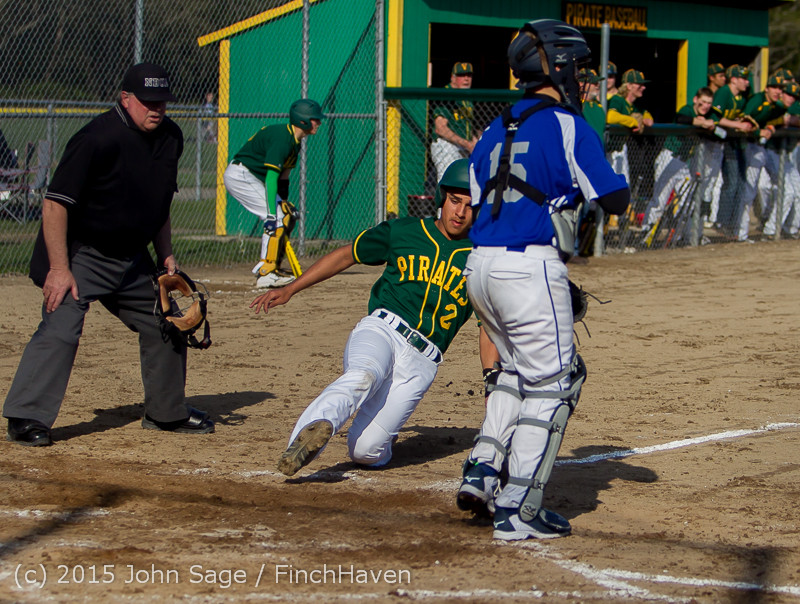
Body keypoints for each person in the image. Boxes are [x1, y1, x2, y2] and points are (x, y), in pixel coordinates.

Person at [457, 19, 629, 541]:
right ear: (556, 68)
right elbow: (614, 198)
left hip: (480, 265)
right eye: (574, 67)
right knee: (557, 381)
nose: (579, 76)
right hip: (529, 265)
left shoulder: (493, 128)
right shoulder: (567, 122)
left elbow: (477, 193)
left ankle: (484, 469)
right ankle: (519, 505)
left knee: (514, 370)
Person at [2, 62, 214, 447]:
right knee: (62, 327)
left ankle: (167, 413)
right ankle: (26, 417)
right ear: (125, 99)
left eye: (163, 101)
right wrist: (60, 269)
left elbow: (160, 203)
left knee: (165, 320)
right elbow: (55, 205)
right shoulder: (97, 138)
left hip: (131, 257)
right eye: (148, 101)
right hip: (82, 254)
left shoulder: (171, 137)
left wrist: (166, 256)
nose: (157, 109)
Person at [251, 158, 490, 475]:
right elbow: (348, 254)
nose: (460, 212)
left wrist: (493, 383)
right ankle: (305, 439)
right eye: (455, 201)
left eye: (470, 206)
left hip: (422, 361)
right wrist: (293, 288)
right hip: (383, 330)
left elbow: (487, 327)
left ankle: (374, 434)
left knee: (366, 452)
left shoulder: (483, 259)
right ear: (442, 198)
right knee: (365, 374)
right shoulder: (404, 231)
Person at [224, 98, 323, 288]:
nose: (318, 122)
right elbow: (271, 179)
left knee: (286, 215)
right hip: (241, 175)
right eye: (315, 119)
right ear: (302, 120)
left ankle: (274, 266)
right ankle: (266, 272)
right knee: (276, 218)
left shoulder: (295, 142)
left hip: (252, 177)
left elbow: (283, 177)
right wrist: (271, 212)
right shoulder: (282, 140)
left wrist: (283, 201)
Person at [641, 87, 716, 239]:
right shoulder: (688, 109)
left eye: (709, 103)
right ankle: (646, 235)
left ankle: (681, 236)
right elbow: (682, 118)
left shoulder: (709, 114)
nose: (705, 106)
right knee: (660, 199)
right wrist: (700, 123)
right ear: (696, 100)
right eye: (703, 102)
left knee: (687, 201)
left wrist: (712, 125)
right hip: (669, 157)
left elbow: (718, 126)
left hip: (685, 163)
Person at [734, 74, 788, 242]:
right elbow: (741, 123)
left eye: (780, 89)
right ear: (766, 88)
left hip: (759, 147)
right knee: (749, 190)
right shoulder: (756, 101)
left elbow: (779, 119)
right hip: (746, 146)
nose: (778, 91)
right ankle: (740, 233)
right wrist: (759, 131)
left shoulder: (776, 105)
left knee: (783, 184)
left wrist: (771, 126)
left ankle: (767, 228)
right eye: (774, 87)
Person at [710, 65, 755, 234]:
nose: (747, 82)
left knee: (740, 182)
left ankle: (731, 225)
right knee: (729, 182)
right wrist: (737, 124)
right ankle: (721, 222)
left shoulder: (742, 98)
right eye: (743, 79)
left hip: (733, 143)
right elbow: (715, 118)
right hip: (715, 143)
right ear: (733, 79)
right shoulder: (724, 92)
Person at [430, 62, 479, 181]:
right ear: (453, 77)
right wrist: (467, 144)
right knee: (448, 181)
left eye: (469, 75)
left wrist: (475, 143)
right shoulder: (447, 93)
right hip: (446, 145)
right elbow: (440, 128)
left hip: (463, 146)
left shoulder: (467, 98)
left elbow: (470, 127)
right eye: (462, 75)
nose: (466, 79)